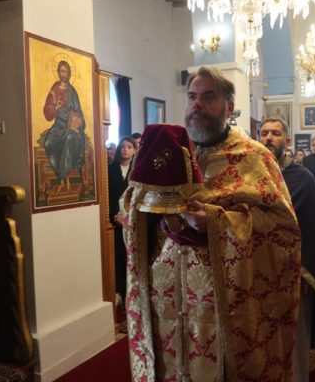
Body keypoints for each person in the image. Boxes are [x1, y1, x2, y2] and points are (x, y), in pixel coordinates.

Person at [122, 66, 301, 381]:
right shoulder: (167, 153)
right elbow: (130, 206)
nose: (197, 104)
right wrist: (142, 209)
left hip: (224, 305)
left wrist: (217, 222)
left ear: (228, 107)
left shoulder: (255, 158)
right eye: (192, 96)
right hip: (164, 296)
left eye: (208, 97)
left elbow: (282, 228)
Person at [259, 117, 315, 382]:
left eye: (275, 133)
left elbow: (314, 233)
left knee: (293, 344)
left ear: (287, 140)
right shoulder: (249, 175)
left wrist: (307, 274)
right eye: (264, 133)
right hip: (255, 270)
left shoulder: (302, 178)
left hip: (293, 274)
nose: (269, 138)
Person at [41, 60, 86, 192]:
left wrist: (77, 123)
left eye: (65, 71)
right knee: (49, 143)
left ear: (69, 73)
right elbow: (47, 110)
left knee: (70, 139)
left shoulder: (72, 92)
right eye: (61, 71)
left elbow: (79, 113)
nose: (63, 74)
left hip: (70, 127)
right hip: (58, 127)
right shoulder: (54, 89)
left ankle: (63, 177)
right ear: (58, 72)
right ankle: (61, 176)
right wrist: (54, 108)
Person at [108, 136, 137, 307]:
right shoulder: (109, 169)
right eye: (123, 147)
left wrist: (128, 216)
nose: (125, 150)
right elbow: (108, 195)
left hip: (132, 219)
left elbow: (138, 195)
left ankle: (131, 292)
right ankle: (119, 291)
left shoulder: (138, 170)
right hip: (115, 220)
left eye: (129, 147)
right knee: (118, 257)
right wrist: (116, 215)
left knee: (131, 257)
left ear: (134, 151)